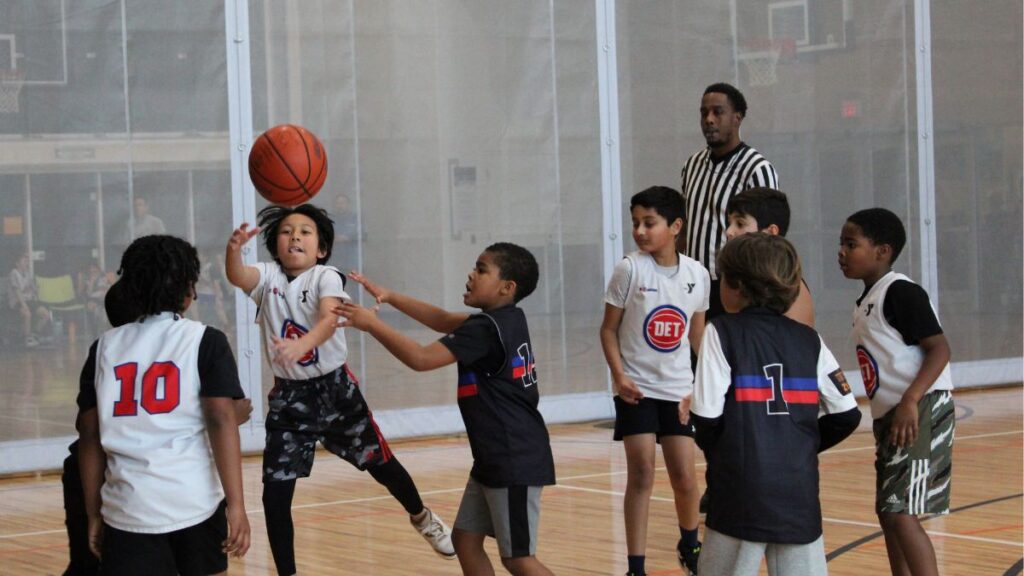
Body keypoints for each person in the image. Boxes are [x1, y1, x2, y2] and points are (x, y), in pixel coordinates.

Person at [225, 204, 454, 575]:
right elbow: (237, 276)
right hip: (289, 398)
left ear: (321, 249)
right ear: (275, 244)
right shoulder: (267, 278)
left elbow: (330, 317)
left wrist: (303, 345)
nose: (295, 236)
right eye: (286, 231)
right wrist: (233, 250)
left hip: (335, 391)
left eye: (305, 231)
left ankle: (422, 516)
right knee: (275, 492)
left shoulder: (326, 276)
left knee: (380, 463)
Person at [334, 243, 556, 576]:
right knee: (465, 541)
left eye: (482, 270)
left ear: (507, 287)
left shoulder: (485, 330)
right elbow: (441, 320)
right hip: (494, 457)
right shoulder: (505, 319)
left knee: (518, 558)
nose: (471, 274)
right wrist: (390, 296)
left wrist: (372, 324)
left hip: (513, 457)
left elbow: (421, 359)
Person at [684, 233, 861, 576]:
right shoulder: (809, 339)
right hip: (798, 494)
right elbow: (846, 414)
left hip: (739, 492)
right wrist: (798, 446)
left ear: (734, 285)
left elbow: (706, 417)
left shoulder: (721, 332)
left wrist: (726, 450)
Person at [77, 235, 251, 575]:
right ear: (189, 290)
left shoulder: (103, 348)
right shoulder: (206, 340)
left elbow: (88, 432)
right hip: (195, 501)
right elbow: (220, 418)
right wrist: (237, 504)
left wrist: (94, 513)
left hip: (128, 507)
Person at [598, 187, 708, 576]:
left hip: (678, 391)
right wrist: (620, 376)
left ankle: (691, 545)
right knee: (641, 473)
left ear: (675, 226)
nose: (640, 231)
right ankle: (636, 566)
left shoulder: (698, 274)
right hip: (637, 390)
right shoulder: (629, 269)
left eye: (649, 222)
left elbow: (698, 338)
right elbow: (608, 330)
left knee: (684, 474)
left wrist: (700, 386)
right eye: (635, 223)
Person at [839, 208, 953, 576]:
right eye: (841, 243)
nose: (841, 251)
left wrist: (910, 401)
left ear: (882, 251)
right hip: (892, 416)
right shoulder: (866, 301)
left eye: (851, 244)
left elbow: (939, 348)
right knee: (888, 510)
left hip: (919, 410)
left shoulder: (900, 291)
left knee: (900, 510)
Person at [679, 82, 779, 321]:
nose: (709, 119)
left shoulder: (757, 168)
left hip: (734, 286)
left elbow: (767, 238)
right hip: (692, 284)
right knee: (694, 357)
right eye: (704, 113)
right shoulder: (692, 164)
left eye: (717, 112)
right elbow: (685, 224)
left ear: (737, 118)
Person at [723, 187, 814, 326]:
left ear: (771, 231)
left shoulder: (788, 285)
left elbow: (797, 341)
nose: (729, 231)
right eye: (729, 223)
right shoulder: (744, 277)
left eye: (740, 224)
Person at [8, 252, 50, 347]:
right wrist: (24, 305)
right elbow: (17, 291)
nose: (26, 263)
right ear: (17, 263)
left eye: (27, 261)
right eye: (24, 261)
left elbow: (32, 288)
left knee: (45, 314)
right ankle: (26, 339)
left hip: (29, 300)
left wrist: (36, 289)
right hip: (17, 302)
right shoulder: (14, 273)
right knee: (27, 314)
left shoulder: (27, 273)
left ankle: (35, 334)